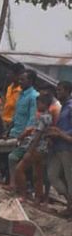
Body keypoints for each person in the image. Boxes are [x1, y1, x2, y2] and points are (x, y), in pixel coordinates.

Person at [8, 71, 46, 200]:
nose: (20, 82)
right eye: (20, 79)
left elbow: (32, 119)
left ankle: (21, 188)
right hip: (15, 132)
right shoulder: (21, 94)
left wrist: (25, 135)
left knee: (16, 159)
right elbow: (16, 115)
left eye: (23, 80)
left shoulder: (34, 97)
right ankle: (15, 184)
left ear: (31, 81)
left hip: (25, 136)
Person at [46, 80, 72, 209]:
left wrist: (60, 133)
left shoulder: (70, 107)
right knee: (52, 175)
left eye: (60, 90)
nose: (57, 92)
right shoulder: (63, 107)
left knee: (69, 178)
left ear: (67, 91)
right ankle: (69, 201)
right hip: (58, 147)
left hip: (67, 148)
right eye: (57, 90)